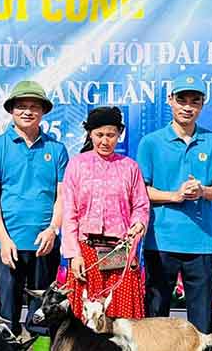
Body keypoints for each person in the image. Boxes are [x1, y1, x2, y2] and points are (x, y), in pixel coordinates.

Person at [138, 75, 212, 351]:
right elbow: (142, 190)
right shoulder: (151, 142)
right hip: (160, 241)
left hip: (201, 243)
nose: (187, 106)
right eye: (182, 100)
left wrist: (202, 191)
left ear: (202, 105)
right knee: (157, 316)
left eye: (195, 101)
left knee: (200, 317)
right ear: (170, 101)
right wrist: (173, 196)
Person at [0, 81, 68, 334]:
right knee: (6, 316)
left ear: (43, 111)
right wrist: (4, 239)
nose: (27, 112)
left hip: (45, 244)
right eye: (21, 106)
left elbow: (62, 196)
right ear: (11, 110)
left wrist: (53, 229)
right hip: (9, 245)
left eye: (34, 107)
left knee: (43, 315)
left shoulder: (57, 149)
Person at [61, 106, 150, 320]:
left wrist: (138, 224)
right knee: (86, 321)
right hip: (87, 251)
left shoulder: (130, 167)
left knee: (121, 320)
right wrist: (74, 255)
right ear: (90, 134)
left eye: (110, 135)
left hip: (119, 251)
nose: (104, 141)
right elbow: (69, 212)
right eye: (99, 134)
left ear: (119, 134)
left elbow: (141, 205)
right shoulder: (77, 165)